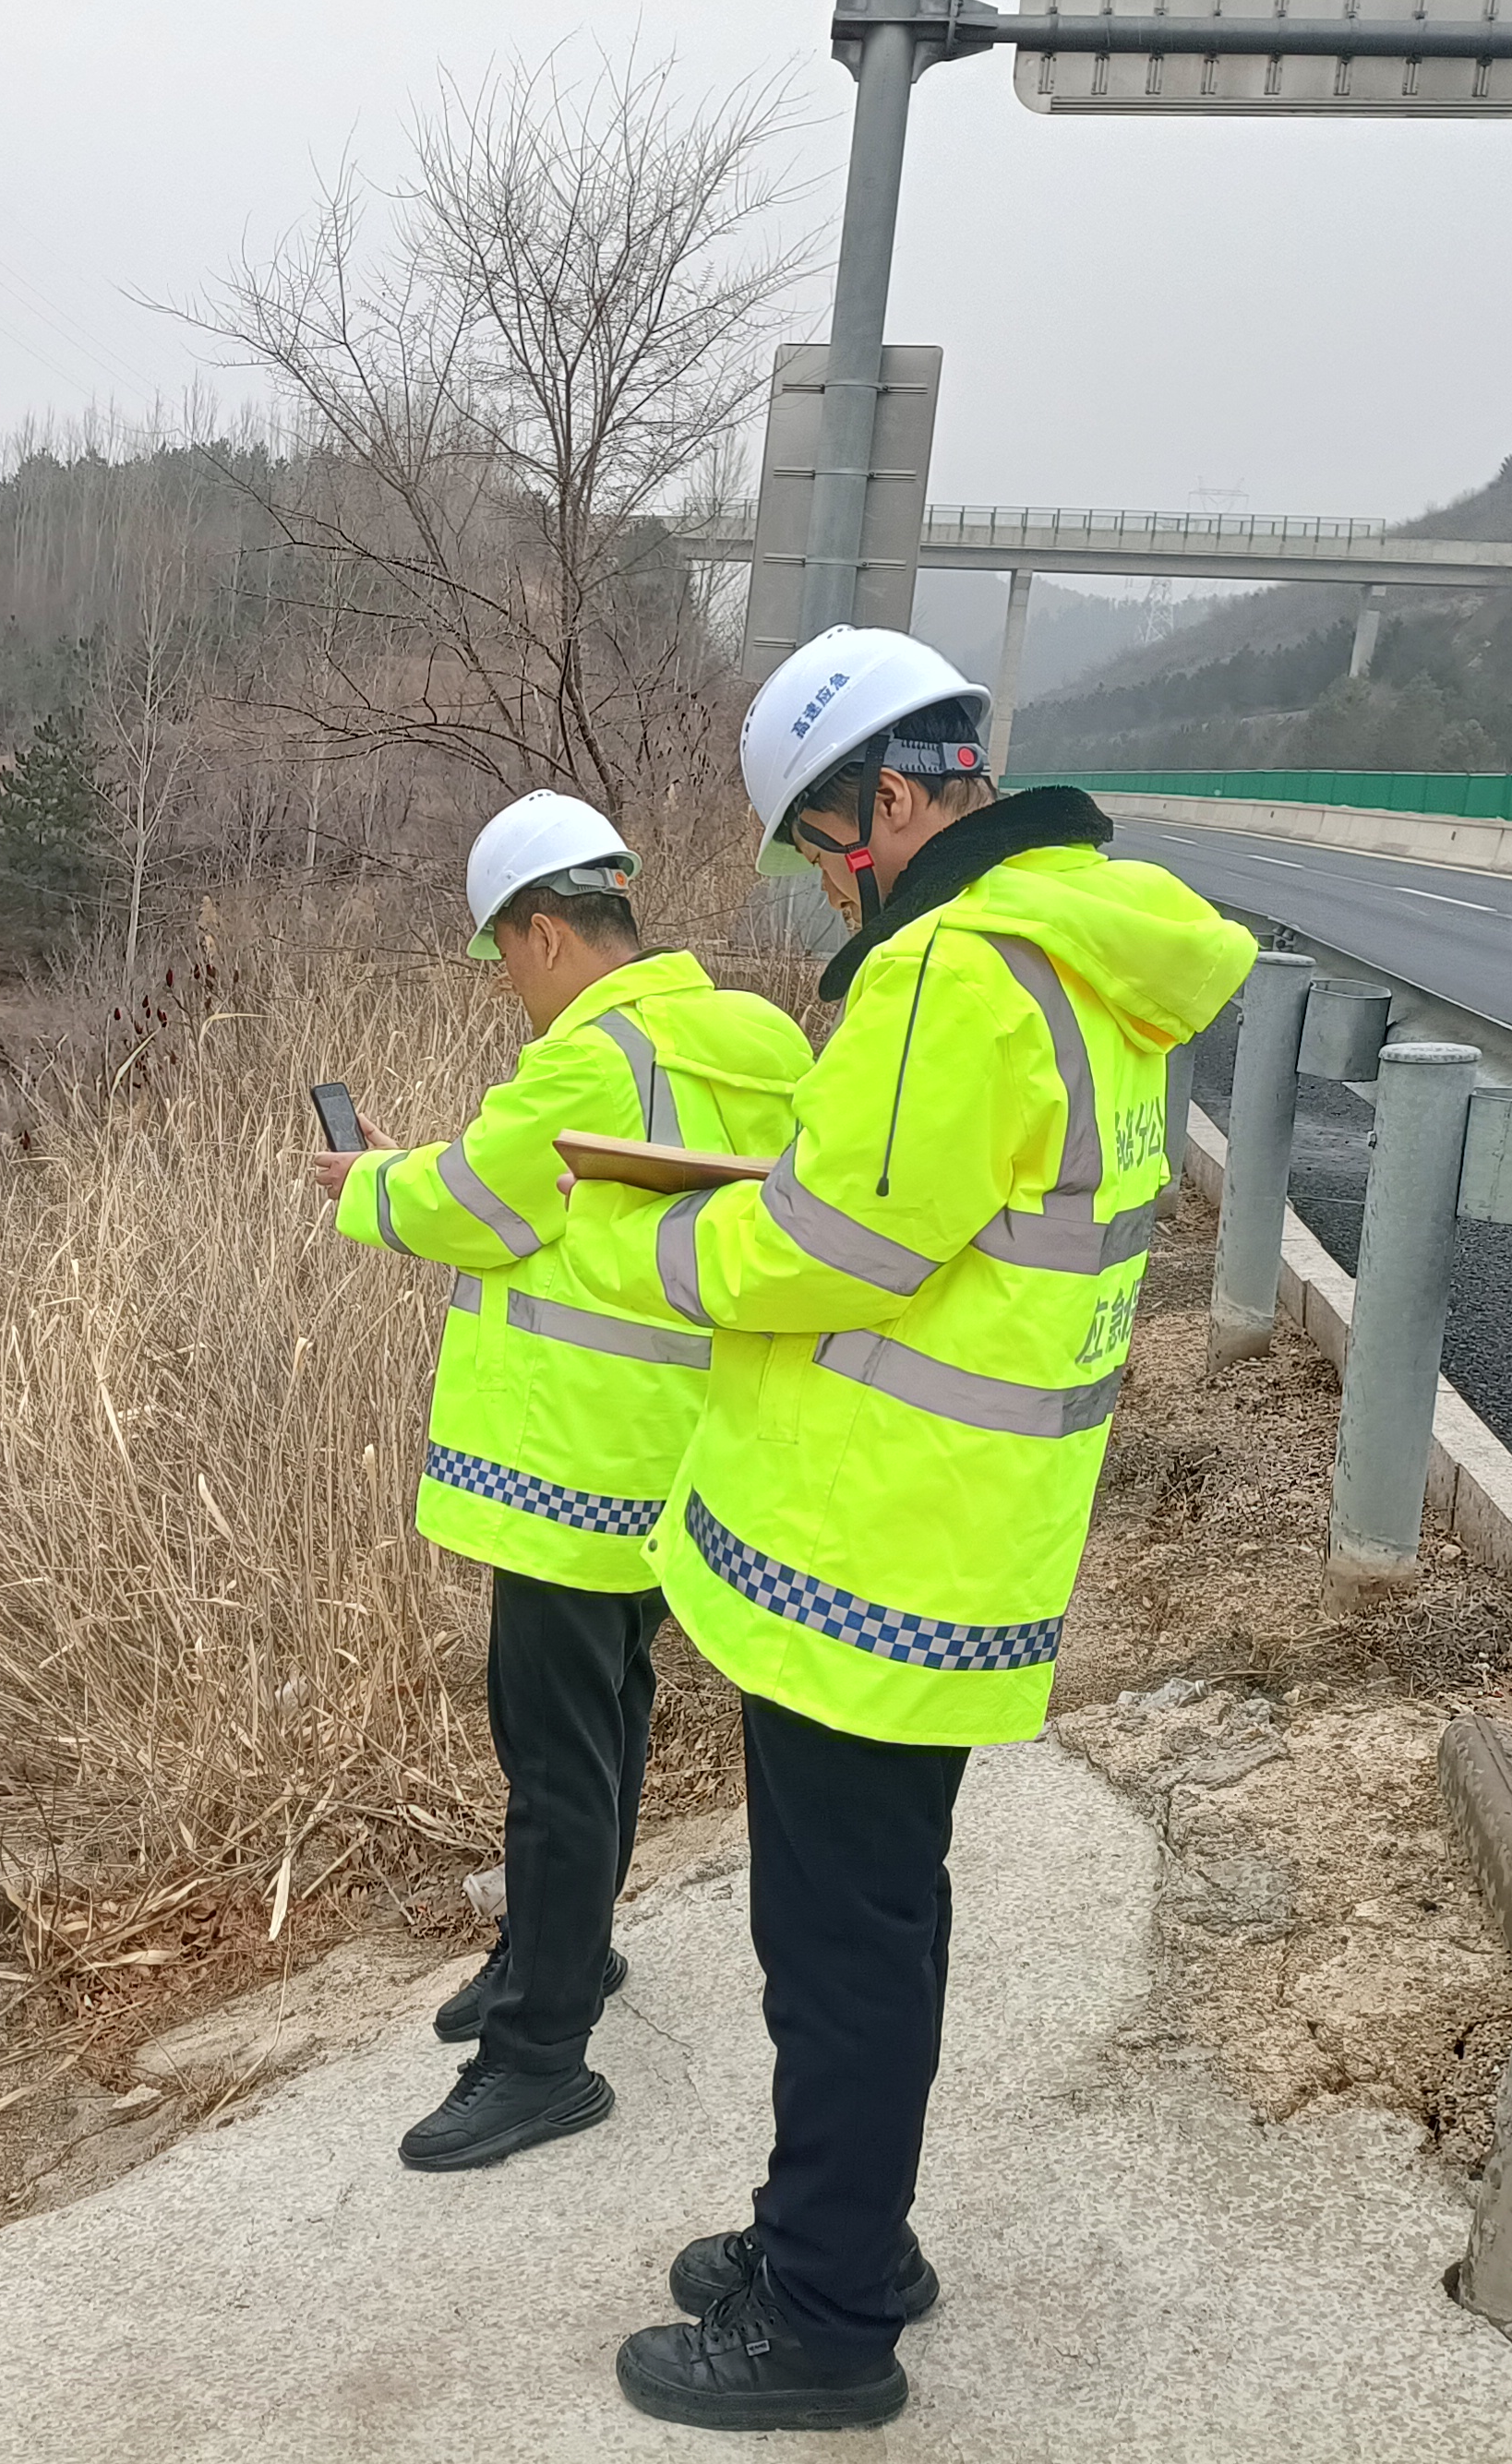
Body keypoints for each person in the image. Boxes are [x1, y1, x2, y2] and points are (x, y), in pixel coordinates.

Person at [558, 631, 1255, 2433]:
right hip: (961, 1537)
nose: (823, 881)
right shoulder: (1087, 954)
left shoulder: (954, 970)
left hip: (863, 1550)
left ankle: (823, 2321)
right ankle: (842, 2235)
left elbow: (832, 1246)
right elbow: (941, 1219)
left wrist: (640, 1241)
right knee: (877, 1924)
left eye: (820, 841)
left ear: (886, 796)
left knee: (838, 1949)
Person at [306, 790, 810, 2173]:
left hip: (569, 1469)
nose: (507, 988)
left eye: (502, 955)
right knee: (608, 1720)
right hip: (677, 1449)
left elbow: (473, 1200)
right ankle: (558, 1951)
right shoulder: (755, 1040)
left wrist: (364, 1180)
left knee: (554, 1759)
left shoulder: (592, 1061)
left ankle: (541, 2057)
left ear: (541, 931)